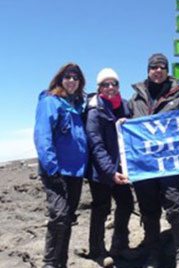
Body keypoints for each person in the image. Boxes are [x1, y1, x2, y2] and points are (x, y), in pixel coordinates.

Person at [128, 53, 179, 268]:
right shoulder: (135, 99)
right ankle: (153, 254)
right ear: (148, 70)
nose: (157, 70)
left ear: (167, 70)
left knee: (175, 206)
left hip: (169, 165)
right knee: (149, 210)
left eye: (162, 67)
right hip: (144, 167)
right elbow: (126, 129)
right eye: (153, 67)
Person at [34, 63, 88, 268]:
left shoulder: (76, 105)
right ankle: (49, 263)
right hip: (56, 171)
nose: (72, 81)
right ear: (60, 79)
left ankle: (61, 262)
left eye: (76, 78)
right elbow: (43, 135)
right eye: (68, 77)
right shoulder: (50, 101)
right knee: (59, 216)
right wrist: (52, 168)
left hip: (75, 172)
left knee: (67, 218)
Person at [85, 68, 134, 267]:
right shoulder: (94, 110)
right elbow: (96, 145)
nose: (111, 87)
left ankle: (120, 245)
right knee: (101, 209)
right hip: (101, 172)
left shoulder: (124, 106)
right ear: (99, 88)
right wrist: (110, 172)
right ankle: (97, 250)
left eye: (114, 83)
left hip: (120, 169)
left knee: (126, 204)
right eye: (106, 84)